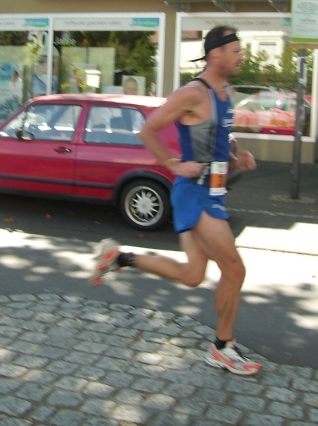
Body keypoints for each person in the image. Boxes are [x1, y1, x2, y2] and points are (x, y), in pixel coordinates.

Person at [90, 25, 262, 377]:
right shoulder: (191, 94)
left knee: (193, 275)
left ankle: (119, 257)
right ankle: (223, 347)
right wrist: (171, 163)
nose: (241, 56)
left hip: (212, 191)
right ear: (216, 55)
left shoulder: (226, 91)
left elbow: (219, 140)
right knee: (234, 269)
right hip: (193, 192)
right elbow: (147, 130)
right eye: (236, 51)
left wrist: (237, 156)